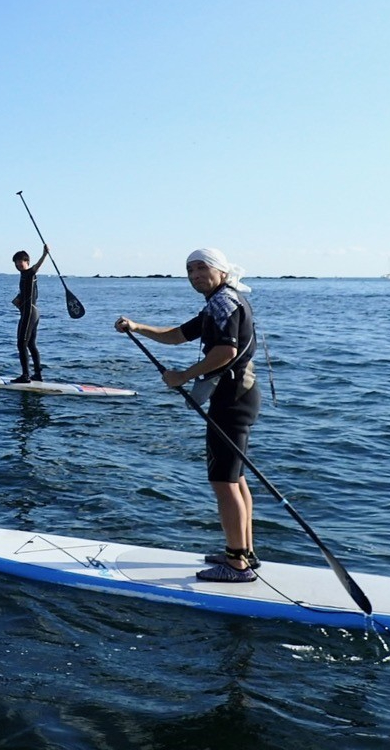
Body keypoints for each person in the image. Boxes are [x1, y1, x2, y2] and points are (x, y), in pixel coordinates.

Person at [114, 248, 261, 583]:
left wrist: (183, 376)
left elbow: (227, 352)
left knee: (223, 481)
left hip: (232, 398)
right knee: (234, 478)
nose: (195, 275)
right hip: (238, 396)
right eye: (189, 270)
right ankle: (242, 551)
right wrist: (137, 327)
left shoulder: (224, 303)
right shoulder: (218, 302)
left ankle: (237, 564)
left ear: (221, 270)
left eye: (201, 268)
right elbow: (179, 335)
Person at [11, 246, 48, 383]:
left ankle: (25, 376)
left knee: (21, 344)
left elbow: (36, 267)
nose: (18, 264)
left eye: (20, 261)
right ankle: (37, 374)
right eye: (16, 262)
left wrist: (44, 254)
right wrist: (18, 299)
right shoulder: (24, 275)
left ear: (27, 261)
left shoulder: (29, 273)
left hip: (29, 313)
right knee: (31, 344)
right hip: (32, 312)